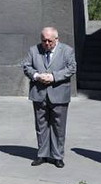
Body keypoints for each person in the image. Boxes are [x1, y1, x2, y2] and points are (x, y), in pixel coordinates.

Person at [22, 27, 76, 168]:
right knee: (41, 126)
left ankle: (57, 156)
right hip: (39, 94)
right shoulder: (34, 50)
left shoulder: (67, 50)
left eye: (49, 41)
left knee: (59, 126)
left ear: (56, 39)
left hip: (59, 94)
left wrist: (53, 77)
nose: (46, 43)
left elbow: (71, 68)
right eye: (44, 40)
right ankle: (42, 154)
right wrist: (37, 76)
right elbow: (26, 66)